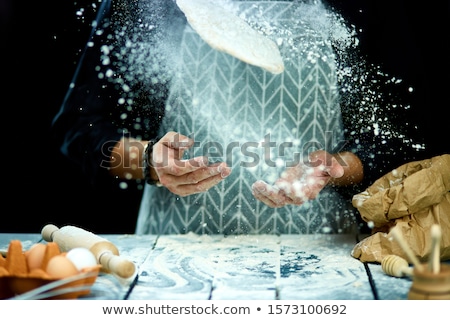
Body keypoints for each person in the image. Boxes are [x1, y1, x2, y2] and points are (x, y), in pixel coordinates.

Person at [51, 0, 416, 235]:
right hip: (173, 257)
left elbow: (401, 138)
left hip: (319, 254)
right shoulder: (148, 5)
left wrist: (337, 166)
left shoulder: (359, 6)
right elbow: (79, 128)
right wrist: (148, 160)